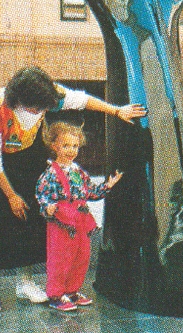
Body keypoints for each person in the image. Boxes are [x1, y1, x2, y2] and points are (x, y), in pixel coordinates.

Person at [0, 66, 146, 313]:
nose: (39, 112)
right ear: (19, 101)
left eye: (43, 109)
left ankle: (25, 282)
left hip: (28, 155)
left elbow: (82, 100)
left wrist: (116, 110)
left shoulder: (48, 94)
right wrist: (10, 195)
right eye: (34, 109)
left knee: (33, 217)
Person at [36, 121, 122, 311]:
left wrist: (108, 186)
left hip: (80, 219)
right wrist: (48, 208)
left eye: (74, 146)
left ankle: (72, 290)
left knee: (81, 255)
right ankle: (56, 294)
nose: (71, 150)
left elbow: (90, 192)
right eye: (66, 145)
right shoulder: (51, 172)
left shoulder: (77, 171)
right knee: (60, 258)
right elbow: (42, 194)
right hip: (62, 220)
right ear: (54, 146)